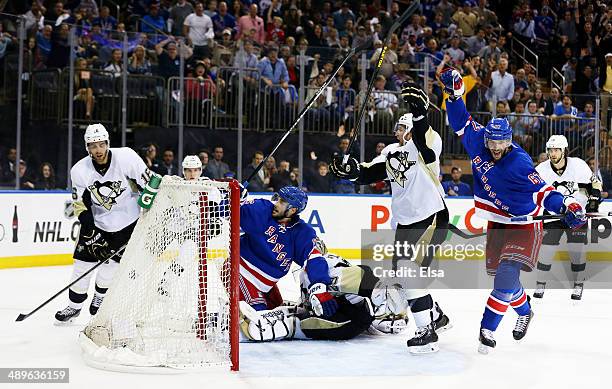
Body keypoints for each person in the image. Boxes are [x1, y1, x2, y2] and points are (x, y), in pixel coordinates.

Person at [441, 68, 587, 354]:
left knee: (505, 276)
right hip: (498, 221)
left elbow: (544, 192)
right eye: (492, 142)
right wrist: (454, 93)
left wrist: (568, 207)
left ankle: (487, 330)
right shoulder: (479, 141)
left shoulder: (520, 163)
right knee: (508, 281)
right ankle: (525, 310)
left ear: (510, 140)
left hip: (524, 223)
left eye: (501, 143)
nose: (495, 148)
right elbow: (460, 121)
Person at [330, 85, 452, 355]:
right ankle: (437, 316)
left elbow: (425, 145)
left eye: (400, 127)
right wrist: (350, 171)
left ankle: (426, 331)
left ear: (409, 128)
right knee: (404, 274)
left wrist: (420, 115)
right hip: (406, 221)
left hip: (430, 216)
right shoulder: (391, 153)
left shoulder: (428, 142)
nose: (396, 131)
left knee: (409, 273)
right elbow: (369, 173)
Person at [55, 124, 154, 323]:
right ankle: (74, 307)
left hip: (127, 224)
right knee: (81, 266)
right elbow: (79, 203)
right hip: (98, 224)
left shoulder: (126, 157)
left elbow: (150, 183)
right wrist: (90, 228)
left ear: (108, 143)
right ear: (87, 147)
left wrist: (150, 201)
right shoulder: (79, 170)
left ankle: (99, 298)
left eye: (101, 144)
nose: (98, 150)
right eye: (93, 146)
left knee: (110, 267)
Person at [240, 240, 412, 342]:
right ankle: (288, 324)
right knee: (358, 319)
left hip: (336, 299)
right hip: (337, 294)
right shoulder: (327, 263)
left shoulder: (323, 264)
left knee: (357, 320)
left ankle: (290, 321)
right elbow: (359, 276)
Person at [238, 186, 337, 322]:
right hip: (241, 272)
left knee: (281, 316)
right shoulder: (262, 210)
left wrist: (319, 286)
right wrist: (234, 200)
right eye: (278, 199)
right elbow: (230, 212)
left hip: (266, 285)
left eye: (282, 202)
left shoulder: (301, 231)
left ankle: (228, 311)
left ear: (293, 210)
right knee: (259, 321)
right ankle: (223, 318)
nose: (276, 204)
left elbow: (313, 257)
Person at [534, 135, 601, 301]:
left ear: (564, 150)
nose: (553, 153)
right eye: (550, 150)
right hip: (553, 216)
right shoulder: (541, 170)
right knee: (546, 251)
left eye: (556, 150)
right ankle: (540, 283)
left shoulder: (578, 165)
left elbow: (595, 184)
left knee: (576, 251)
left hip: (577, 215)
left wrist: (593, 201)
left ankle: (578, 285)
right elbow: (533, 192)